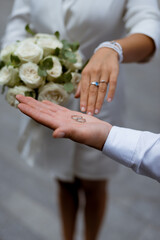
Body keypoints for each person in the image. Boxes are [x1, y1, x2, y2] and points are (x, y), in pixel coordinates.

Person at [1, 1, 160, 240]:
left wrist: (113, 48)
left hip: (99, 97)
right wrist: (17, 64)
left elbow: (149, 26)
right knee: (63, 179)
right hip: (49, 97)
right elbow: (19, 21)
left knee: (93, 184)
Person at [16, 95, 160, 183]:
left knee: (94, 180)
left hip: (101, 106)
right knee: (63, 177)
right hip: (64, 102)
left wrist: (108, 135)